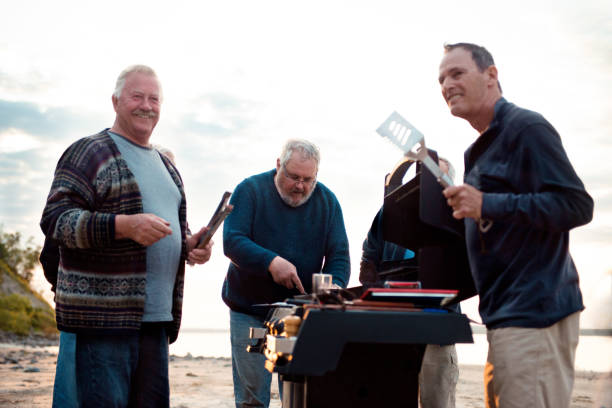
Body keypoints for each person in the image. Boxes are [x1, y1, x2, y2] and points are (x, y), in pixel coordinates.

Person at [40, 65, 213, 407]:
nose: (146, 105)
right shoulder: (89, 151)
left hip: (157, 322)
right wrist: (124, 225)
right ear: (116, 101)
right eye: (137, 96)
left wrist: (190, 245)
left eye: (154, 99)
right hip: (104, 323)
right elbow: (56, 220)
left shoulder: (167, 166)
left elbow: (168, 229)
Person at [439, 43, 594, 407]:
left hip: (535, 315)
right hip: (502, 318)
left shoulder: (527, 128)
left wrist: (486, 204)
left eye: (457, 73)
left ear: (491, 75)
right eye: (441, 78)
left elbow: (576, 205)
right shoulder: (477, 151)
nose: (446, 84)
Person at [222, 139, 351, 408]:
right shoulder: (250, 190)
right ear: (279, 165)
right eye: (293, 176)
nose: (300, 186)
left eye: (308, 179)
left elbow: (339, 255)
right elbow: (232, 240)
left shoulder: (327, 201)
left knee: (299, 400)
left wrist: (335, 286)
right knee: (251, 400)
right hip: (250, 311)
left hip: (299, 317)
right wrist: (271, 262)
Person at [360, 157, 459, 408]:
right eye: (426, 178)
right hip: (392, 328)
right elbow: (368, 258)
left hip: (438, 331)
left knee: (437, 402)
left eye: (439, 180)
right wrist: (377, 289)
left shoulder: (456, 218)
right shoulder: (388, 214)